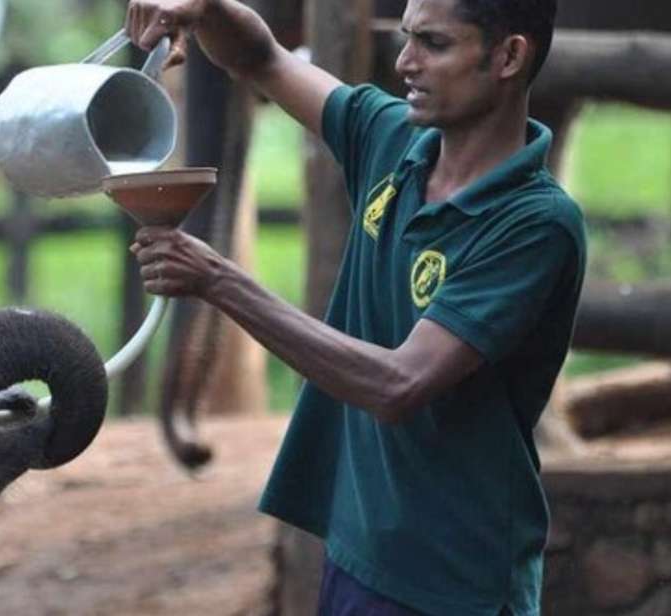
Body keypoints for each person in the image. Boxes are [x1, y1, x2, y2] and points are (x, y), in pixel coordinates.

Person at [125, 1, 584, 615]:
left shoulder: (534, 224)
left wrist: (218, 280)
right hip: (357, 552)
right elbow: (261, 59)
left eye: (434, 44)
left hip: (453, 579)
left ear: (509, 56)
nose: (404, 62)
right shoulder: (392, 139)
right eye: (405, 39)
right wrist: (206, 8)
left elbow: (399, 383)